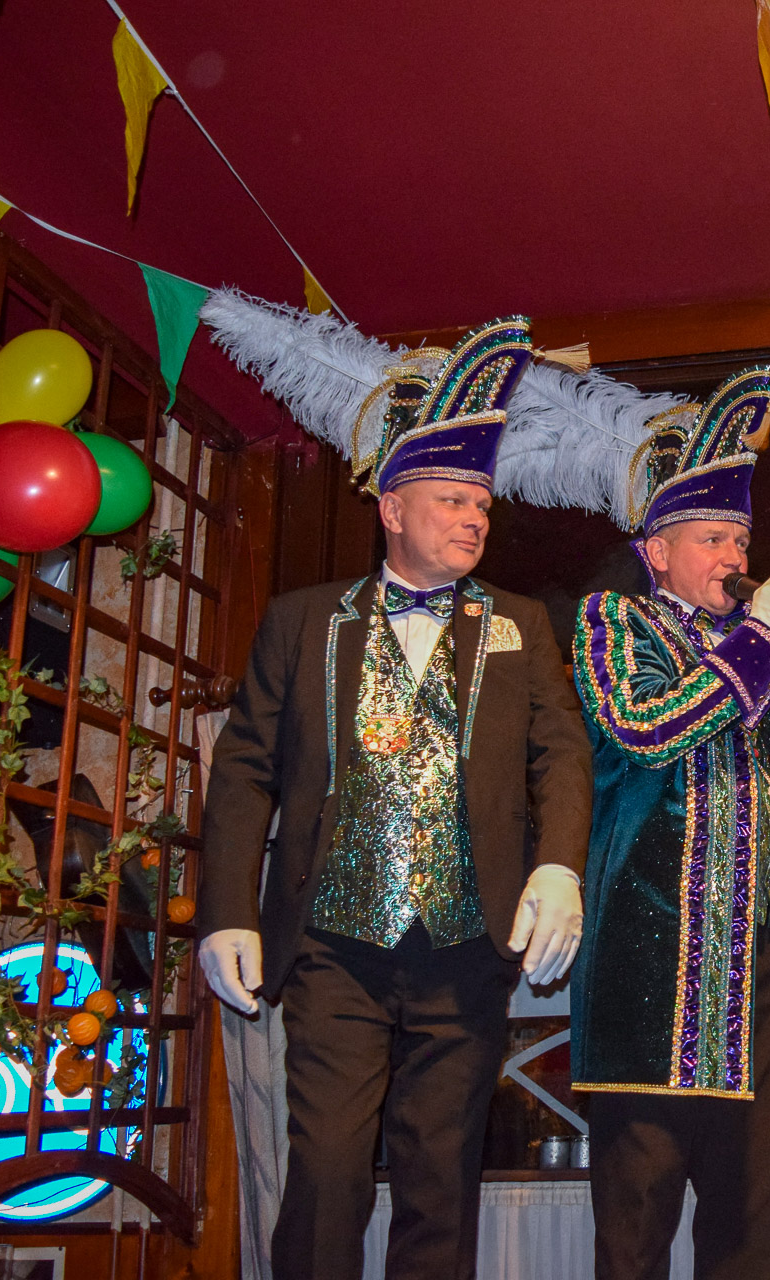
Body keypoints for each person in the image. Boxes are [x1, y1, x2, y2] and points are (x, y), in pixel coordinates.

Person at [196, 319, 593, 1280]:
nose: (474, 520)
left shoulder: (519, 623)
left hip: (466, 945)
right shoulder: (302, 622)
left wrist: (558, 867)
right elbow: (244, 769)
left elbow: (561, 754)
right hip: (334, 944)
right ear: (391, 508)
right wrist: (226, 912)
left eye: (482, 506)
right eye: (453, 501)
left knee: (441, 1177)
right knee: (327, 1169)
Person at [569, 367, 770, 1280]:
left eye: (740, 538)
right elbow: (646, 728)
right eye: (712, 539)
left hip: (759, 982)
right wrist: (759, 641)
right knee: (634, 1240)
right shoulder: (612, 620)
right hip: (646, 978)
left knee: (744, 1236)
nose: (734, 555)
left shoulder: (753, 656)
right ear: (656, 551)